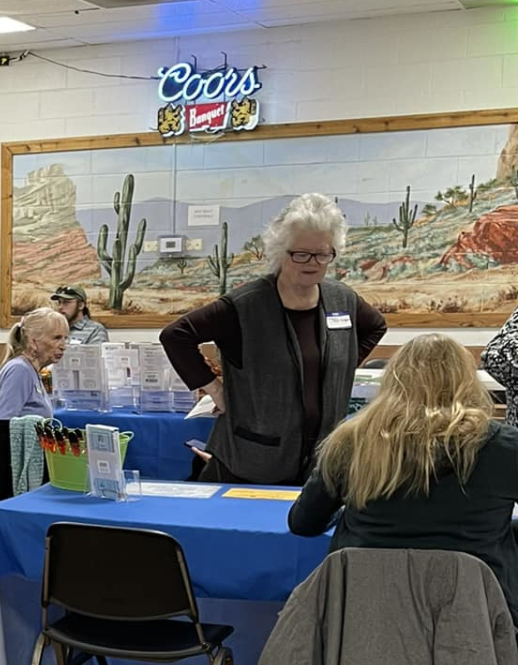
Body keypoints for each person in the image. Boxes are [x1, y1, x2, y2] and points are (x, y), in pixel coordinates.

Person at [160, 193, 386, 484]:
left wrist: (338, 369)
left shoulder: (342, 299)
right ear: (281, 251)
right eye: (300, 254)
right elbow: (176, 336)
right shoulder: (245, 305)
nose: (312, 263)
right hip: (251, 463)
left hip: (319, 461)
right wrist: (216, 390)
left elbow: (376, 326)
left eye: (322, 254)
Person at [288, 334, 518, 621]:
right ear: (468, 381)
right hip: (476, 621)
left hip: (364, 619)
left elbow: (303, 522)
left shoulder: (351, 441)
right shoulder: (505, 447)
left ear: (394, 378)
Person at [0, 308, 67, 420]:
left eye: (65, 338)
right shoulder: (20, 370)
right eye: (56, 338)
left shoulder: (31, 370)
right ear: (33, 341)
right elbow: (1, 425)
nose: (63, 346)